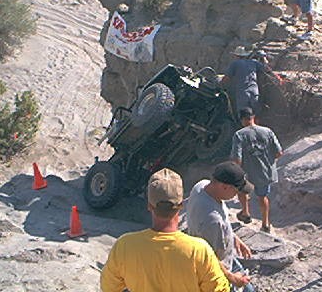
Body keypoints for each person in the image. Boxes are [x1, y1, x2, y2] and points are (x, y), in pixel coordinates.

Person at [101, 168, 228, 292]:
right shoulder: (199, 250)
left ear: (149, 206)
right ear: (181, 205)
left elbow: (108, 287)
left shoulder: (124, 246)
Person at [186, 162, 256, 292]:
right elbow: (209, 259)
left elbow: (221, 222)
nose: (236, 195)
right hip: (221, 269)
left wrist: (233, 237)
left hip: (228, 258)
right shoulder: (211, 220)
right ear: (224, 186)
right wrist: (233, 278)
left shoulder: (202, 185)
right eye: (236, 190)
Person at [231, 107, 283, 233]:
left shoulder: (239, 135)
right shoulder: (268, 131)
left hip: (247, 173)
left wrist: (236, 171)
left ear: (242, 120)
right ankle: (265, 224)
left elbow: (237, 159)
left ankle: (245, 213)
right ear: (253, 117)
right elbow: (279, 153)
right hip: (265, 172)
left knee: (241, 191)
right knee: (262, 197)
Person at [222, 45, 281, 116]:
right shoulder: (254, 62)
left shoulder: (235, 64)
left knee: (244, 115)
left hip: (242, 93)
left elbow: (226, 78)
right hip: (254, 92)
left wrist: (220, 84)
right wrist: (264, 58)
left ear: (237, 55)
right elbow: (267, 69)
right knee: (254, 114)